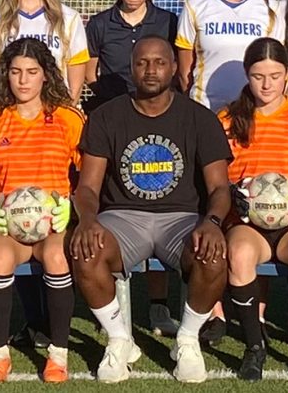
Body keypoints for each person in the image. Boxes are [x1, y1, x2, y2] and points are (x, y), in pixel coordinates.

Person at [67, 35, 231, 384]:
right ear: (131, 68)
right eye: (142, 63)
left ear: (173, 68)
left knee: (214, 254)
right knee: (86, 249)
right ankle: (119, 339)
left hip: (181, 217)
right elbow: (88, 187)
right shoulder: (107, 116)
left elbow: (219, 187)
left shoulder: (199, 118)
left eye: (159, 62)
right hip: (122, 215)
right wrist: (88, 220)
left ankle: (187, 340)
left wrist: (213, 221)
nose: (151, 70)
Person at [218, 38, 288, 386]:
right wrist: (231, 194)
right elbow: (216, 177)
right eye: (258, 76)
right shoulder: (227, 119)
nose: (266, 85)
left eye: (275, 76)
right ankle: (255, 347)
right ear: (246, 75)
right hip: (247, 222)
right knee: (239, 254)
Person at [83, 0, 181, 335]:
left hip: (159, 128)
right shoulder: (100, 25)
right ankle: (115, 306)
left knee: (159, 205)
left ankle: (158, 307)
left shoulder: (168, 22)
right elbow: (91, 74)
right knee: (119, 213)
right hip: (115, 128)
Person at [0, 38, 84, 383]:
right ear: (5, 75)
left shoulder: (68, 119)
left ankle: (58, 354)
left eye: (32, 72)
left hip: (53, 224)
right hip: (8, 225)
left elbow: (89, 174)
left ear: (46, 75)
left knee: (56, 257)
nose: (23, 80)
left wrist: (71, 206)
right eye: (16, 72)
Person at [85, 0, 178, 110]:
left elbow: (178, 67)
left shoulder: (168, 21)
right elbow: (89, 73)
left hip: (158, 109)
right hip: (113, 108)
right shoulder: (99, 24)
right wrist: (109, 98)